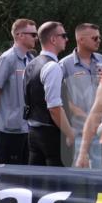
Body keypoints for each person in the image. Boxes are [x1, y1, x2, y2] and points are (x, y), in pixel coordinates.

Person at [0, 18, 38, 165]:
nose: (36, 37)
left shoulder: (30, 59)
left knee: (24, 178)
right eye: (33, 34)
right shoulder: (7, 59)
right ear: (20, 35)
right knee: (7, 180)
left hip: (26, 129)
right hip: (8, 130)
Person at [25, 22, 75, 167]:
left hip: (33, 131)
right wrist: (69, 133)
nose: (66, 39)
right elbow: (54, 107)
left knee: (35, 184)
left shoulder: (31, 64)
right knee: (59, 185)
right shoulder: (52, 67)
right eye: (63, 36)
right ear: (53, 39)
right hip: (51, 134)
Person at [60, 23, 102, 168]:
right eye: (95, 38)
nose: (99, 40)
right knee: (78, 177)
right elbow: (62, 98)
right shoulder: (64, 65)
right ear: (81, 40)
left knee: (101, 175)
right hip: (79, 131)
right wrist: (80, 113)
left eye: (99, 37)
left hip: (100, 130)